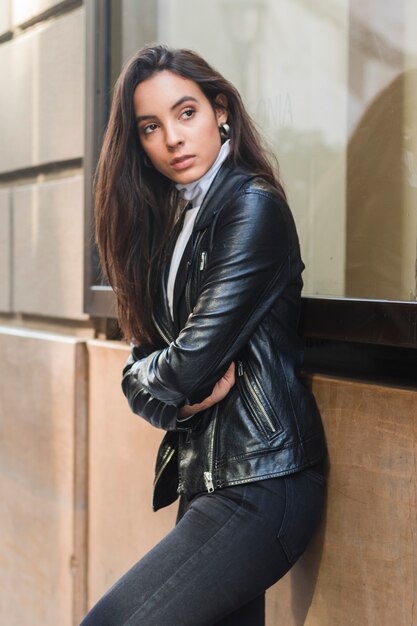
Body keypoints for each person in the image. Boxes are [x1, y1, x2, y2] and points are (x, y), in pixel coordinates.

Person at [80, 44, 327, 626]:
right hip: (209, 479)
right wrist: (158, 384)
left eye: (185, 113)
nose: (171, 138)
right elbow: (143, 363)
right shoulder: (174, 227)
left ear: (220, 111)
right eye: (150, 126)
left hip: (263, 485)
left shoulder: (250, 206)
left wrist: (161, 383)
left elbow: (186, 366)